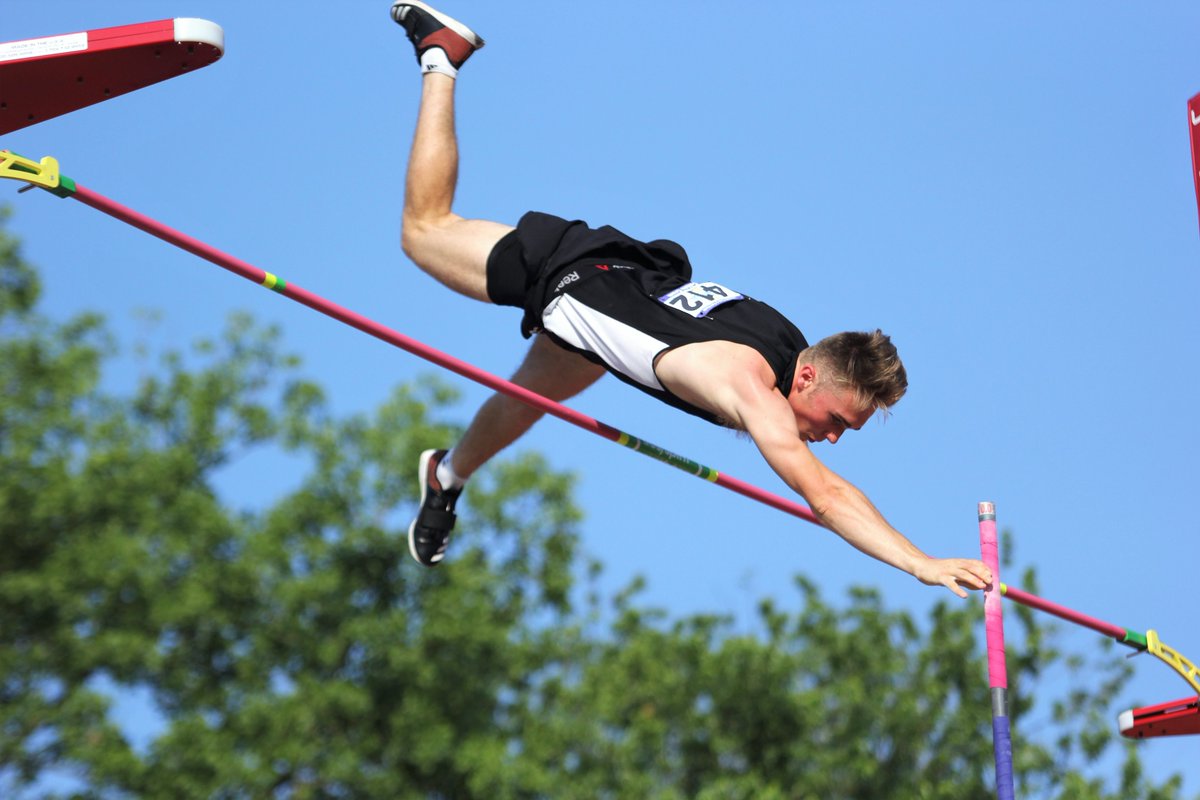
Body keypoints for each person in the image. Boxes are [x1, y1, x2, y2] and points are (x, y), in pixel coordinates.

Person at [390, 1, 993, 598]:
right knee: (424, 232)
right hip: (569, 275)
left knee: (532, 396)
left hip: (621, 278)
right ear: (807, 376)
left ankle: (446, 477)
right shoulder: (752, 386)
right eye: (837, 421)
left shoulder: (789, 343)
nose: (833, 438)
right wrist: (920, 562)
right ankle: (441, 56)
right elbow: (826, 496)